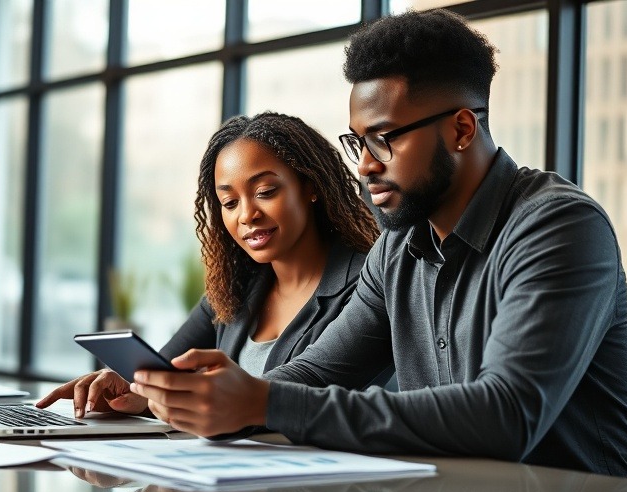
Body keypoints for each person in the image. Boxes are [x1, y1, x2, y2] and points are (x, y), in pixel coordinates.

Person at [128, 9, 627, 478]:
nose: (365, 165)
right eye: (358, 142)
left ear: (462, 128)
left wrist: (262, 404)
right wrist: (216, 396)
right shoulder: (398, 247)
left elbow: (506, 416)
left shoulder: (558, 226)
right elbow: (317, 372)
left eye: (384, 138)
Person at [37, 111, 380, 417]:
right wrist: (134, 388)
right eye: (230, 202)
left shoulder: (367, 284)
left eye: (265, 192)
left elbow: (310, 386)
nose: (247, 215)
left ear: (311, 187)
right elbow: (164, 370)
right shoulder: (236, 288)